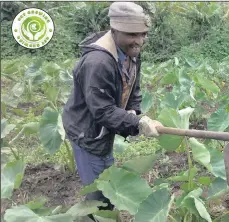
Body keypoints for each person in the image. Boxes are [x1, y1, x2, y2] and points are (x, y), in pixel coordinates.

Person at [61, 2, 162, 220]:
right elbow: (102, 110)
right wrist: (137, 124)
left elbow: (133, 87)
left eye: (143, 34)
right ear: (114, 31)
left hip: (103, 129)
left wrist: (135, 112)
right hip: (86, 131)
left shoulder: (131, 52)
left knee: (108, 175)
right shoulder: (98, 62)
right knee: (99, 195)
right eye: (132, 34)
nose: (139, 41)